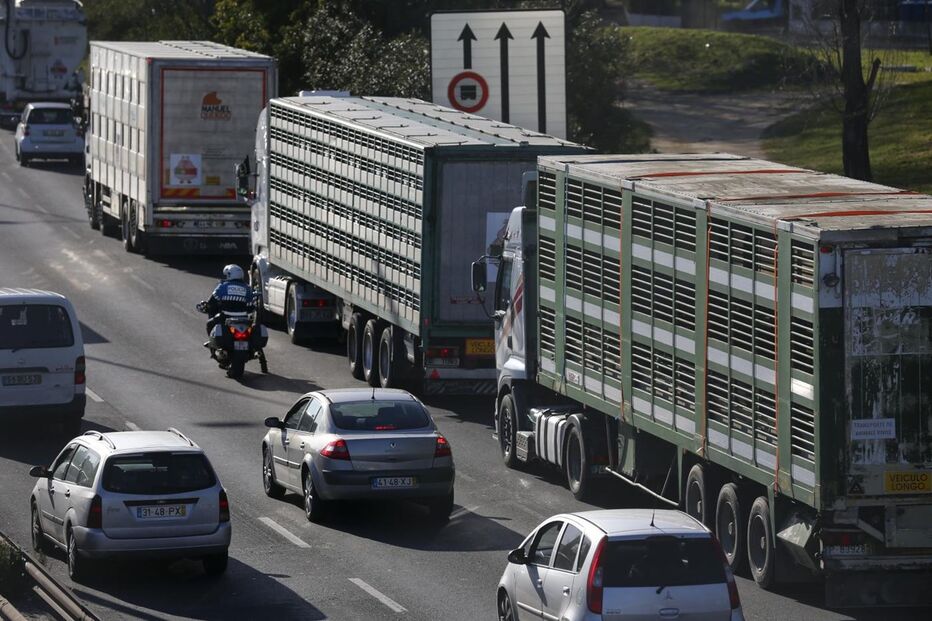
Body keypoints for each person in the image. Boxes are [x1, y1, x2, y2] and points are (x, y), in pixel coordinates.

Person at [202, 264, 254, 338]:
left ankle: (212, 341)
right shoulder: (248, 288)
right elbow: (251, 306)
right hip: (243, 319)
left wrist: (208, 307)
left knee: (209, 324)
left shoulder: (222, 286)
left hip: (225, 317)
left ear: (229, 275)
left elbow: (212, 302)